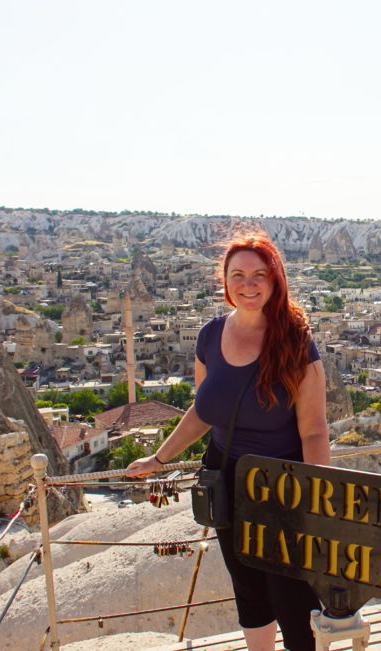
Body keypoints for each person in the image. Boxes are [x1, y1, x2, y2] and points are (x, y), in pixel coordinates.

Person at [127, 230, 329, 651]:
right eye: (238, 274)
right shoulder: (209, 336)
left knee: (291, 590)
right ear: (225, 281)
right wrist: (159, 459)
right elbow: (205, 411)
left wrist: (316, 493)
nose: (248, 284)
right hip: (223, 474)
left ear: (275, 281)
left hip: (282, 481)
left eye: (259, 275)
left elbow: (313, 429)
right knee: (247, 584)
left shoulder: (295, 342)